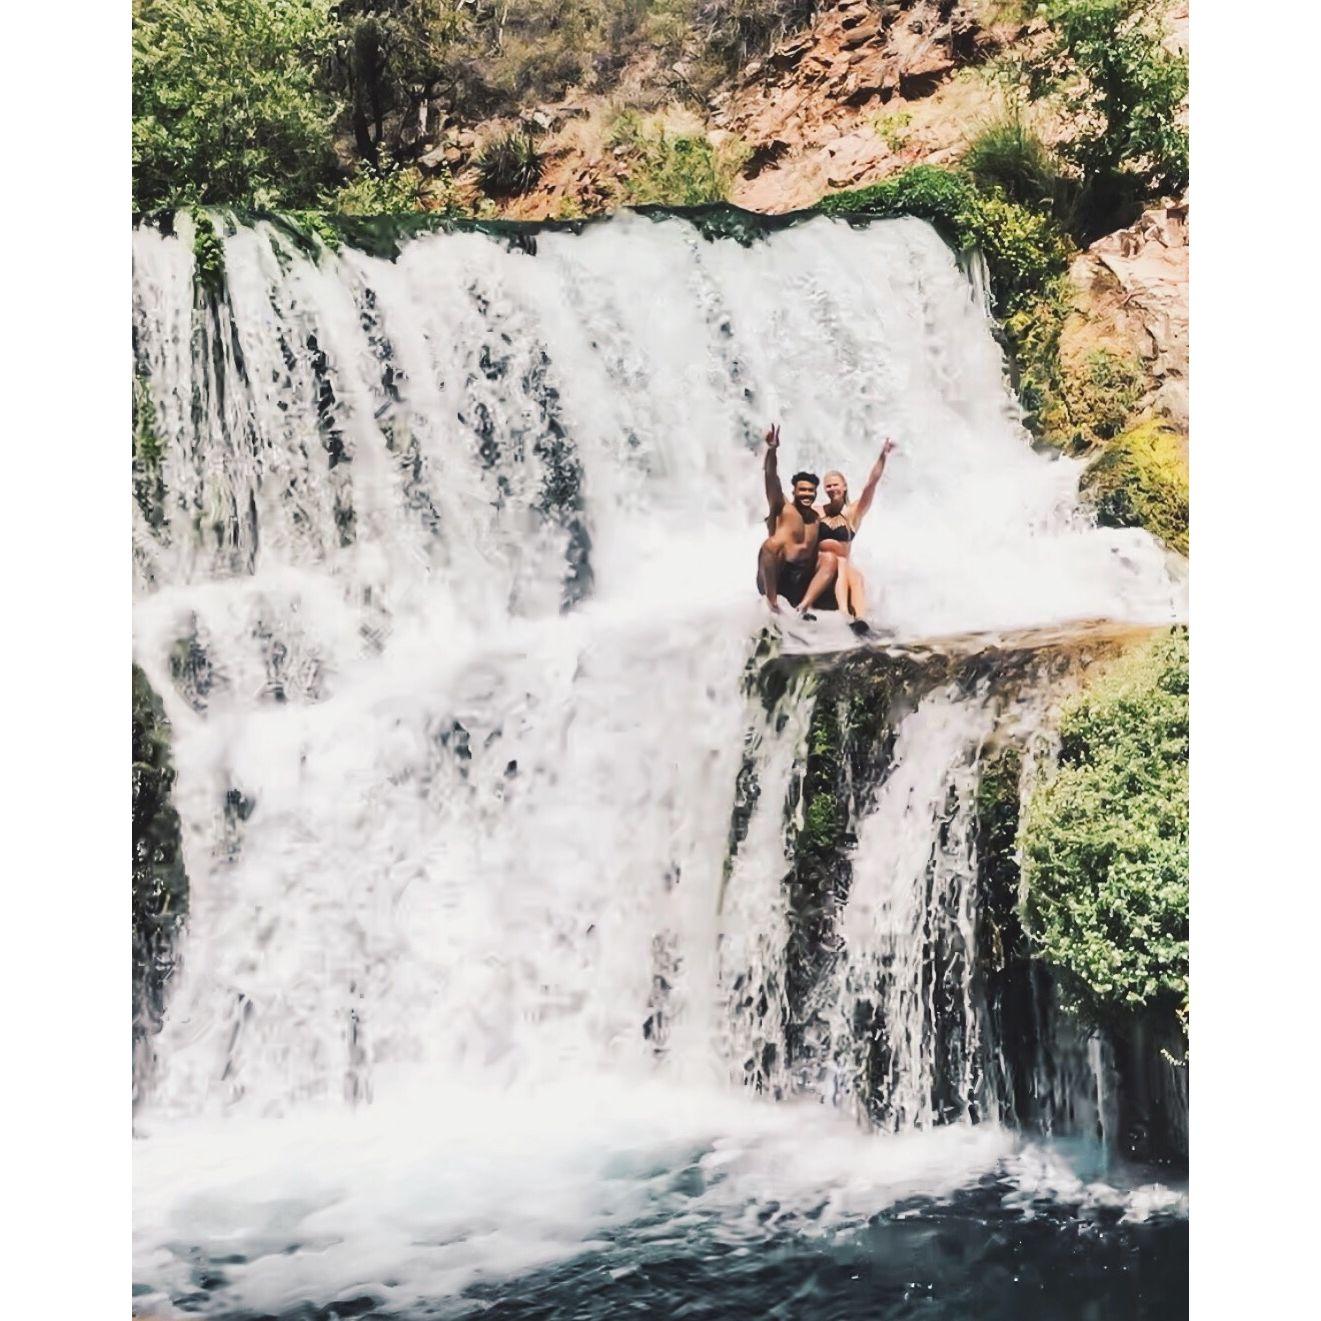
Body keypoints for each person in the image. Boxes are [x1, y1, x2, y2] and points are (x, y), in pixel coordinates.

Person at [799, 439, 896, 630]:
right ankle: (842, 612)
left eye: (835, 485)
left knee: (856, 576)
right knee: (838, 561)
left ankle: (861, 620)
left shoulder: (854, 512)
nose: (832, 489)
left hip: (842, 568)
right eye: (828, 486)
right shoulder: (818, 511)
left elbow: (871, 484)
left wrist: (883, 456)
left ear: (844, 487)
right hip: (820, 565)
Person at [755, 423, 838, 615]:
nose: (806, 494)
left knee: (830, 559)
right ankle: (772, 604)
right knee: (770, 545)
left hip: (800, 579)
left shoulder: (817, 517)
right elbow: (770, 477)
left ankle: (804, 606)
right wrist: (772, 450)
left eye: (811, 491)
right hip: (775, 576)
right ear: (794, 491)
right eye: (802, 490)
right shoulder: (782, 507)